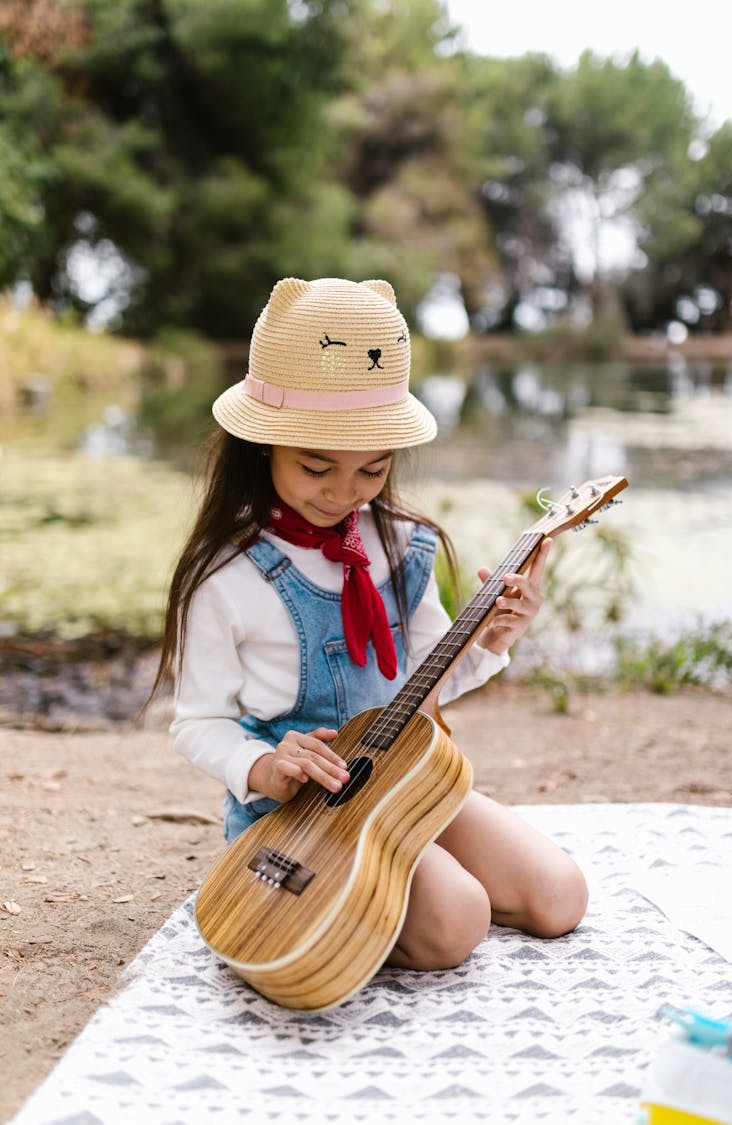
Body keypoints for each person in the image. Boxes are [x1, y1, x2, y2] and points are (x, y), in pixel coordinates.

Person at [153, 276, 588, 973]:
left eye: (372, 470)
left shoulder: (401, 545)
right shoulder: (225, 574)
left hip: (402, 777)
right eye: (316, 466)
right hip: (294, 808)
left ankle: (395, 869)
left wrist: (493, 639)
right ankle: (363, 890)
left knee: (560, 896)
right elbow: (196, 722)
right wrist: (264, 765)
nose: (342, 492)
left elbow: (426, 687)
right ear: (263, 445)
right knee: (455, 922)